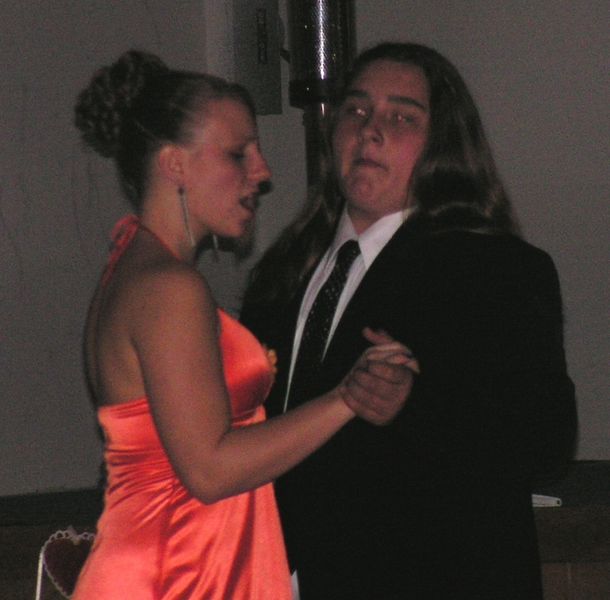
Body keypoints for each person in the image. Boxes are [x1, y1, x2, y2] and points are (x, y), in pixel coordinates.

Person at [70, 50, 418, 599]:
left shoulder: (132, 265)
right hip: (174, 573)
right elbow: (210, 470)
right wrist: (346, 398)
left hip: (173, 562)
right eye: (239, 154)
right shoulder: (169, 288)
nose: (263, 172)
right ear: (174, 164)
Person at [241, 42, 577, 599]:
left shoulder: (493, 270)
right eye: (356, 110)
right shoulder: (284, 273)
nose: (370, 131)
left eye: (401, 118)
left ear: (443, 145)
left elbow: (546, 441)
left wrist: (414, 406)